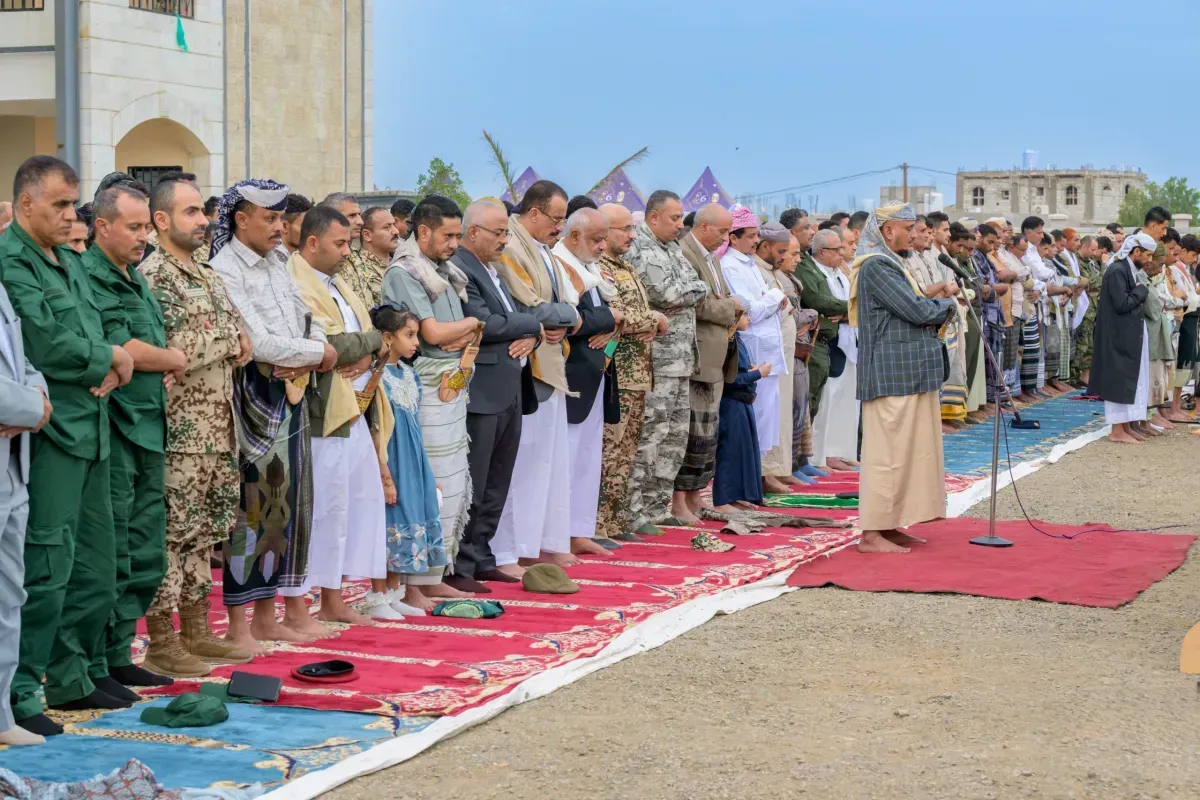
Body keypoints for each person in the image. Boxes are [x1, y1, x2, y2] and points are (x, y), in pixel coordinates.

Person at [1, 156, 134, 736]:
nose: (68, 215)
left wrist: (110, 356)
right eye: (58, 204)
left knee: (95, 568)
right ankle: (20, 691)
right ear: (25, 202)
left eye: (72, 204)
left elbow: (94, 326)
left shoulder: (67, 259)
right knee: (45, 568)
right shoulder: (11, 261)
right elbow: (45, 342)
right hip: (51, 433)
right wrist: (111, 357)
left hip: (93, 426)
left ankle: (74, 675)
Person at [209, 178, 337, 647]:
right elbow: (259, 343)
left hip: (291, 390)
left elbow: (308, 320)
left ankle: (269, 617)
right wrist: (318, 354)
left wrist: (312, 352)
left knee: (286, 509)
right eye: (270, 218)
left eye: (282, 218)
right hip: (255, 397)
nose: (280, 227)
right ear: (241, 220)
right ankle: (239, 625)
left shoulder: (279, 261)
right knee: (253, 509)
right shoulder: (224, 269)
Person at [139, 178, 255, 677]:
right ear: (162, 220)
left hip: (218, 428)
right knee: (172, 535)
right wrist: (230, 338)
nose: (203, 220)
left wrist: (230, 336)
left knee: (205, 535)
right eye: (190, 212)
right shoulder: (155, 275)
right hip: (180, 433)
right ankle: (162, 641)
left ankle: (196, 630)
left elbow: (240, 334)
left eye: (202, 211)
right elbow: (177, 348)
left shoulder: (206, 273)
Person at [82, 184, 187, 701]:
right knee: (112, 551)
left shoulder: (134, 275)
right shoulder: (92, 275)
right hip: (117, 427)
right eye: (134, 226)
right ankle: (92, 663)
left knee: (145, 549)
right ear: (102, 226)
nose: (144, 236)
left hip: (149, 425)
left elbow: (148, 347)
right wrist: (173, 359)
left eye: (147, 226)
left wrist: (159, 360)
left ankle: (119, 655)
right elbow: (126, 347)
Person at [287, 204, 392, 623]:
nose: (348, 251)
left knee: (351, 503)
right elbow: (331, 346)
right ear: (313, 242)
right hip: (319, 411)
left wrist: (369, 349)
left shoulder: (339, 284)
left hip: (355, 407)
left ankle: (333, 598)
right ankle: (299, 602)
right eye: (341, 243)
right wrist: (372, 342)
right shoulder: (296, 281)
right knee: (318, 509)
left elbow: (364, 343)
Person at [383, 195, 483, 593]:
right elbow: (434, 334)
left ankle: (435, 574)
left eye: (458, 236)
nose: (455, 244)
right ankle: (418, 580)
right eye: (448, 235)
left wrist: (467, 331)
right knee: (433, 484)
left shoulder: (442, 269)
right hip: (424, 387)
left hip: (451, 382)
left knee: (454, 482)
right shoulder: (405, 271)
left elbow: (458, 335)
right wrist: (471, 324)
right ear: (423, 231)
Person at [850, 203, 955, 554]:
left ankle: (890, 524)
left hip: (910, 372)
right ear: (887, 230)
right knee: (887, 456)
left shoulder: (894, 262)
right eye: (908, 228)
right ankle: (871, 534)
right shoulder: (877, 266)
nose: (914, 234)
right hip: (891, 374)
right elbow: (917, 309)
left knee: (908, 455)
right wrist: (948, 306)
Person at [452, 199, 542, 584]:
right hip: (483, 391)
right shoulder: (462, 267)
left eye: (506, 232)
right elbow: (485, 323)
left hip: (510, 387)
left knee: (497, 480)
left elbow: (519, 319)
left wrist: (533, 334)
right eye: (499, 232)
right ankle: (460, 563)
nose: (505, 239)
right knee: (475, 480)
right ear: (473, 232)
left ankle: (481, 554)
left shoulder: (494, 269)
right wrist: (533, 325)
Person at [492, 181, 581, 570]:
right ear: (533, 213)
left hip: (550, 362)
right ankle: (519, 547)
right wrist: (569, 316)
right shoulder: (512, 246)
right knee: (525, 464)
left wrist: (567, 316)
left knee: (549, 462)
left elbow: (567, 302)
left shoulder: (543, 249)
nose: (560, 227)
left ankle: (545, 541)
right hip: (525, 367)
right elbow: (533, 308)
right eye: (556, 219)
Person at [625, 190, 709, 535]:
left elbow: (697, 286)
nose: (679, 225)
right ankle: (634, 512)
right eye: (674, 218)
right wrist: (690, 290)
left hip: (681, 360)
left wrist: (690, 290)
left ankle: (657, 508)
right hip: (657, 360)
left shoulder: (672, 248)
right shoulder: (640, 248)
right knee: (650, 437)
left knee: (674, 439)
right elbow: (666, 294)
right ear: (653, 217)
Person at [0, 267, 52, 746]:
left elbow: (24, 362)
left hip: (13, 466)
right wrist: (32, 408)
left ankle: (0, 716)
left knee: (8, 594)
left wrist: (37, 397)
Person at [595, 203, 665, 543]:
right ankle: (596, 525)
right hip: (617, 373)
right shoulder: (598, 267)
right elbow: (616, 315)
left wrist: (649, 321)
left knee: (626, 453)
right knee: (609, 452)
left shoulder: (625, 266)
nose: (632, 235)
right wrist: (655, 319)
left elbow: (633, 315)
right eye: (625, 229)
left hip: (637, 374)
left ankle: (614, 521)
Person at [553, 207, 621, 555]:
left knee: (587, 459)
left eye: (604, 239)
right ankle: (556, 537)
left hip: (596, 374)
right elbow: (572, 319)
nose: (602, 247)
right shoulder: (560, 265)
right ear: (575, 236)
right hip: (570, 375)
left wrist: (611, 322)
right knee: (565, 461)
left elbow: (610, 319)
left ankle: (579, 531)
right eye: (597, 240)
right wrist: (609, 317)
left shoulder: (589, 268)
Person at [373, 303, 448, 613]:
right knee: (389, 522)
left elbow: (417, 423)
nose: (417, 342)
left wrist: (426, 472)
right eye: (409, 335)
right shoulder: (374, 376)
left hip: (412, 459)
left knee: (408, 519)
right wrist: (384, 473)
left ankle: (395, 594)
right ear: (387, 337)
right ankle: (378, 597)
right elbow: (375, 427)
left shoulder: (408, 373)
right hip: (391, 458)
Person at [676, 202, 739, 521]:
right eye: (723, 231)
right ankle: (678, 500)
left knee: (707, 435)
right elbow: (699, 304)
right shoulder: (685, 253)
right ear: (703, 227)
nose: (726, 238)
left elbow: (723, 297)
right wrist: (731, 308)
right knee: (690, 432)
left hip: (716, 357)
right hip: (697, 357)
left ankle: (695, 495)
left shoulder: (711, 257)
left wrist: (729, 305)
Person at [719, 206, 789, 488]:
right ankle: (747, 481)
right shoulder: (729, 265)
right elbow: (752, 311)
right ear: (733, 238)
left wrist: (770, 299)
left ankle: (757, 476)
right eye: (750, 236)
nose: (756, 241)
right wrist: (775, 297)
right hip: (752, 350)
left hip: (768, 349)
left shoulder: (748, 264)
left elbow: (762, 304)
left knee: (766, 417)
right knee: (754, 417)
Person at [788, 208, 847, 444]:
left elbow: (827, 301)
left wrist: (845, 311)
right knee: (805, 404)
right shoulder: (802, 265)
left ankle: (805, 457)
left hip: (823, 342)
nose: (812, 232)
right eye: (806, 228)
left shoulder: (806, 262)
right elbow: (817, 300)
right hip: (809, 342)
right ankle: (798, 459)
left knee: (814, 404)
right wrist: (852, 307)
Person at [1090, 232, 1154, 444]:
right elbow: (1122, 303)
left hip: (1128, 334)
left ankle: (1125, 426)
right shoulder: (1117, 270)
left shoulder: (1128, 269)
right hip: (1117, 336)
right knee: (1118, 380)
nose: (1150, 260)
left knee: (1130, 379)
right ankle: (1117, 430)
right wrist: (1141, 292)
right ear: (1137, 251)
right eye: (1148, 255)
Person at [807, 228, 861, 470]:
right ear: (821, 252)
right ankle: (823, 455)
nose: (842, 252)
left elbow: (853, 304)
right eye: (837, 249)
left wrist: (848, 313)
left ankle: (841, 452)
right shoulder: (815, 272)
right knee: (828, 401)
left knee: (846, 401)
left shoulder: (840, 271)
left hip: (849, 341)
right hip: (830, 343)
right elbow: (827, 306)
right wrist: (849, 311)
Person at [755, 222, 802, 486]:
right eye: (781, 251)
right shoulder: (753, 269)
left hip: (782, 352)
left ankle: (780, 467)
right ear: (765, 246)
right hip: (766, 353)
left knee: (781, 411)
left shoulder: (770, 271)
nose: (784, 257)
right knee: (768, 413)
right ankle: (766, 472)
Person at [712, 314, 767, 511]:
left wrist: (753, 372)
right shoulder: (726, 342)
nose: (749, 318)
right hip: (731, 403)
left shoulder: (737, 339)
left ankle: (738, 496)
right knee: (729, 451)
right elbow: (730, 380)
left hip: (742, 403)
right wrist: (758, 373)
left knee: (743, 451)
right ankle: (723, 499)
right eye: (744, 314)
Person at [1168, 234, 1200, 420]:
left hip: (1192, 320)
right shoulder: (1174, 270)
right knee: (1179, 363)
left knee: (1186, 364)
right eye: (1193, 255)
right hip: (1184, 319)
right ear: (1184, 251)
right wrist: (1195, 298)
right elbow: (1184, 297)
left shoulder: (1185, 270)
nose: (1194, 259)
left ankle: (1176, 405)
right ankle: (1173, 407)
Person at [348, 206, 400, 306]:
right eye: (387, 227)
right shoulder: (358, 268)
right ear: (367, 235)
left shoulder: (401, 263)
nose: (395, 231)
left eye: (394, 225)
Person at [278, 193, 312, 260]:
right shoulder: (274, 259)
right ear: (284, 226)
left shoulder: (302, 255)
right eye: (304, 226)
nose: (310, 231)